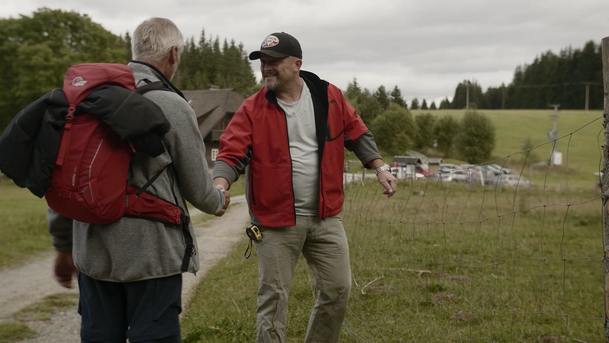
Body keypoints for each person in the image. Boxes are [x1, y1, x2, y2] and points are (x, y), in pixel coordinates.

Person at [48, 17, 229, 342]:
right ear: (173, 54)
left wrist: (64, 246)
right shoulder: (171, 105)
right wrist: (220, 198)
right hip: (152, 257)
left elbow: (64, 178)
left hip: (94, 254)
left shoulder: (86, 100)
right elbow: (199, 190)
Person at [213, 32, 397, 343]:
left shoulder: (329, 96)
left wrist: (380, 167)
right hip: (274, 222)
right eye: (263, 63)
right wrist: (220, 185)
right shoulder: (252, 108)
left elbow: (357, 132)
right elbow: (231, 152)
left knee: (338, 289)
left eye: (274, 62)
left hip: (326, 217)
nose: (267, 69)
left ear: (297, 64)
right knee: (273, 301)